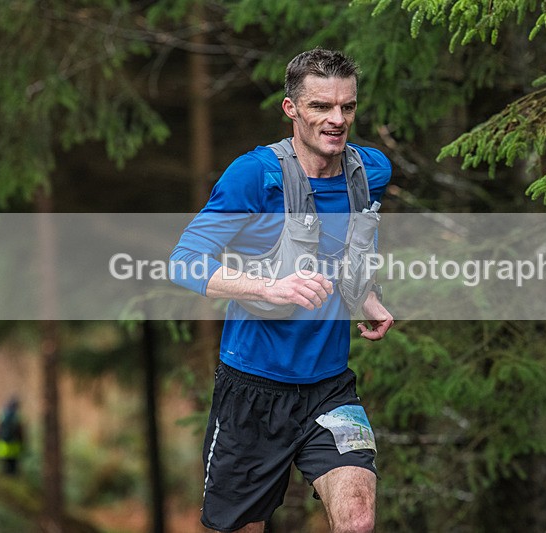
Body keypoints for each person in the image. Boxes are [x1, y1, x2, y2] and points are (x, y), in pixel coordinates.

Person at [169, 48, 394, 533]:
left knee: (357, 520)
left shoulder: (369, 172)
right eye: (321, 107)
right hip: (253, 390)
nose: (337, 120)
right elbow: (183, 263)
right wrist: (269, 287)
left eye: (347, 107)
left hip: (329, 389)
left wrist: (363, 294)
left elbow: (353, 241)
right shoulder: (256, 177)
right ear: (292, 109)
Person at [0, 395, 24, 476]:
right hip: (14, 444)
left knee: (4, 463)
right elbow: (21, 431)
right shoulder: (17, 416)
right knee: (13, 464)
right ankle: (11, 477)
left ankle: (5, 477)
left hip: (1, 443)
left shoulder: (0, 414)